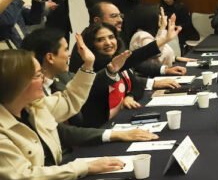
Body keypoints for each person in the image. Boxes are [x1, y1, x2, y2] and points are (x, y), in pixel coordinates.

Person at [0, 36, 125, 180]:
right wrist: (84, 167)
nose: (43, 79)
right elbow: (25, 177)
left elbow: (69, 100)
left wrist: (88, 65)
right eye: (38, 75)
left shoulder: (34, 107)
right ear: (18, 83)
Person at [20, 28, 157, 152]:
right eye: (66, 50)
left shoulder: (63, 76)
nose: (69, 55)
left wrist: (110, 70)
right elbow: (63, 130)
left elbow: (87, 87)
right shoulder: (30, 94)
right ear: (50, 57)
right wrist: (114, 134)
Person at [77, 18, 181, 128]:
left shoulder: (117, 60)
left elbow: (136, 86)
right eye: (100, 40)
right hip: (101, 128)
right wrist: (163, 40)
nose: (108, 43)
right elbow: (134, 57)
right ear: (91, 44)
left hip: (122, 121)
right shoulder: (93, 67)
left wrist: (129, 96)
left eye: (111, 37)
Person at [71, 2, 186, 78]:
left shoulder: (115, 37)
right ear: (97, 20)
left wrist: (164, 70)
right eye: (113, 16)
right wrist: (162, 40)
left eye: (120, 16)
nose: (120, 20)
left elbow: (130, 63)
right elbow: (128, 61)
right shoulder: (86, 41)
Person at [130, 7, 195, 68]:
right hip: (153, 74)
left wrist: (175, 58)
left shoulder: (150, 34)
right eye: (161, 15)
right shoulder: (141, 35)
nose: (164, 18)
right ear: (150, 18)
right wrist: (163, 27)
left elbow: (161, 52)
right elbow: (155, 54)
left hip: (165, 68)